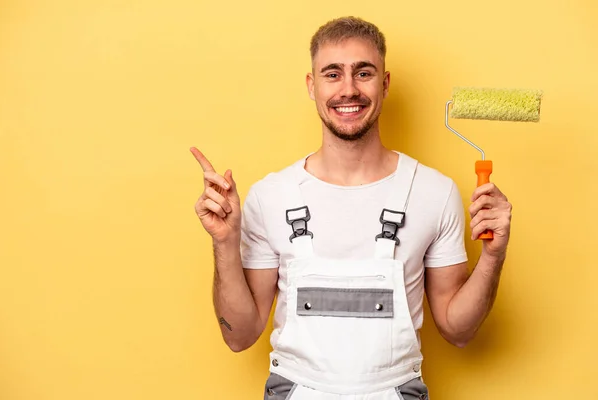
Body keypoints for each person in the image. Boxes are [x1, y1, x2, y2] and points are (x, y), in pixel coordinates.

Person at [190, 16, 512, 400]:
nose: (348, 89)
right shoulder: (271, 196)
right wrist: (225, 243)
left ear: (385, 83)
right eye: (332, 74)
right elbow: (239, 336)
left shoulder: (433, 193)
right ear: (312, 86)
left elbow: (459, 331)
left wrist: (493, 254)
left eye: (363, 73)